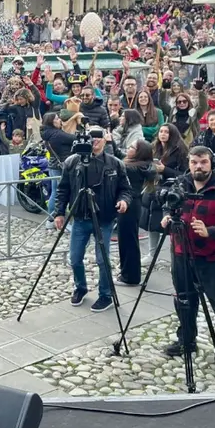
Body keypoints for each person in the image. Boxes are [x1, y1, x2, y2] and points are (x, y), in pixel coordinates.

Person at [161, 146, 215, 377]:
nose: (198, 167)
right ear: (189, 163)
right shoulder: (182, 183)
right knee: (184, 301)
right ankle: (186, 340)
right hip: (181, 253)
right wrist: (167, 216)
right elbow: (168, 203)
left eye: (203, 162)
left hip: (213, 259)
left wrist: (210, 231)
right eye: (194, 162)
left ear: (211, 163)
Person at [54, 126, 132, 313]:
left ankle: (105, 295)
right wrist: (59, 212)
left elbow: (126, 188)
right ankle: (80, 288)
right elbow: (63, 189)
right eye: (91, 137)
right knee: (75, 258)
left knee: (102, 259)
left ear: (105, 140)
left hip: (103, 218)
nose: (94, 141)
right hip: (80, 217)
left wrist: (123, 201)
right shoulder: (73, 162)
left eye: (98, 137)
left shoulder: (115, 163)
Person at [140, 123, 189, 266]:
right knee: (151, 222)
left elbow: (185, 174)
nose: (163, 134)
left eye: (166, 132)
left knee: (171, 224)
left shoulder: (180, 150)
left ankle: (177, 256)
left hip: (171, 190)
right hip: (152, 188)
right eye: (161, 131)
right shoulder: (154, 147)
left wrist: (164, 169)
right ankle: (152, 253)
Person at [117, 139, 156, 285]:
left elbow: (117, 163)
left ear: (139, 152)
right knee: (127, 240)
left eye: (132, 147)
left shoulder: (132, 168)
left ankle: (130, 277)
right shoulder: (141, 165)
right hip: (132, 204)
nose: (129, 148)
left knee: (128, 241)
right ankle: (127, 272)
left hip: (129, 205)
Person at [41, 112, 77, 230]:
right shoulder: (57, 134)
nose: (60, 120)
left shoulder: (47, 133)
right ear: (52, 121)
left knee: (55, 193)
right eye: (57, 118)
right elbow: (74, 139)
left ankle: (51, 220)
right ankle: (59, 220)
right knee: (60, 193)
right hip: (61, 166)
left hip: (53, 165)